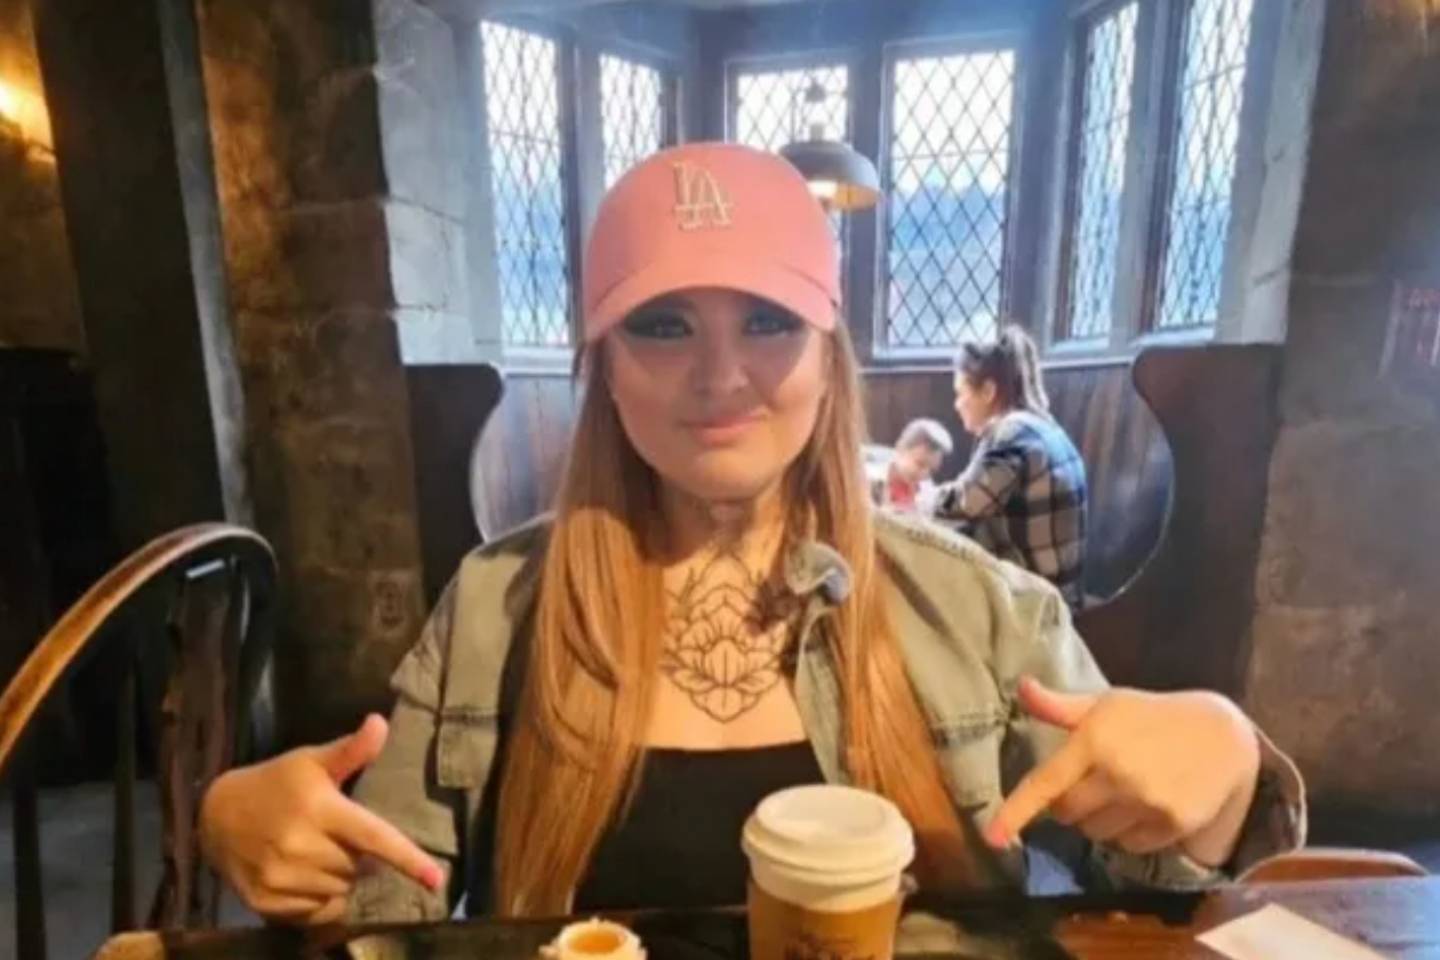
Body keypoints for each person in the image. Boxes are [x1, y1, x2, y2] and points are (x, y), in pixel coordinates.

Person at [197, 143, 1304, 926]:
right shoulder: (495, 608)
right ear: (604, 368)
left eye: (769, 321)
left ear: (828, 359)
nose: (722, 376)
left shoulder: (975, 605)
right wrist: (274, 848)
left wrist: (1221, 779)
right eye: (664, 325)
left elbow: (1149, 889)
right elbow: (393, 910)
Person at [933, 327, 1089, 609]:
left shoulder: (1010, 432)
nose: (957, 405)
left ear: (988, 391)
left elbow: (967, 502)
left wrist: (925, 496)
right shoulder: (1042, 425)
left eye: (960, 393)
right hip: (1063, 595)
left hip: (1040, 610)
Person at [870, 418, 953, 512]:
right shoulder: (870, 480)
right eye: (920, 464)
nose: (924, 474)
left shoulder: (926, 490)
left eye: (932, 470)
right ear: (900, 449)